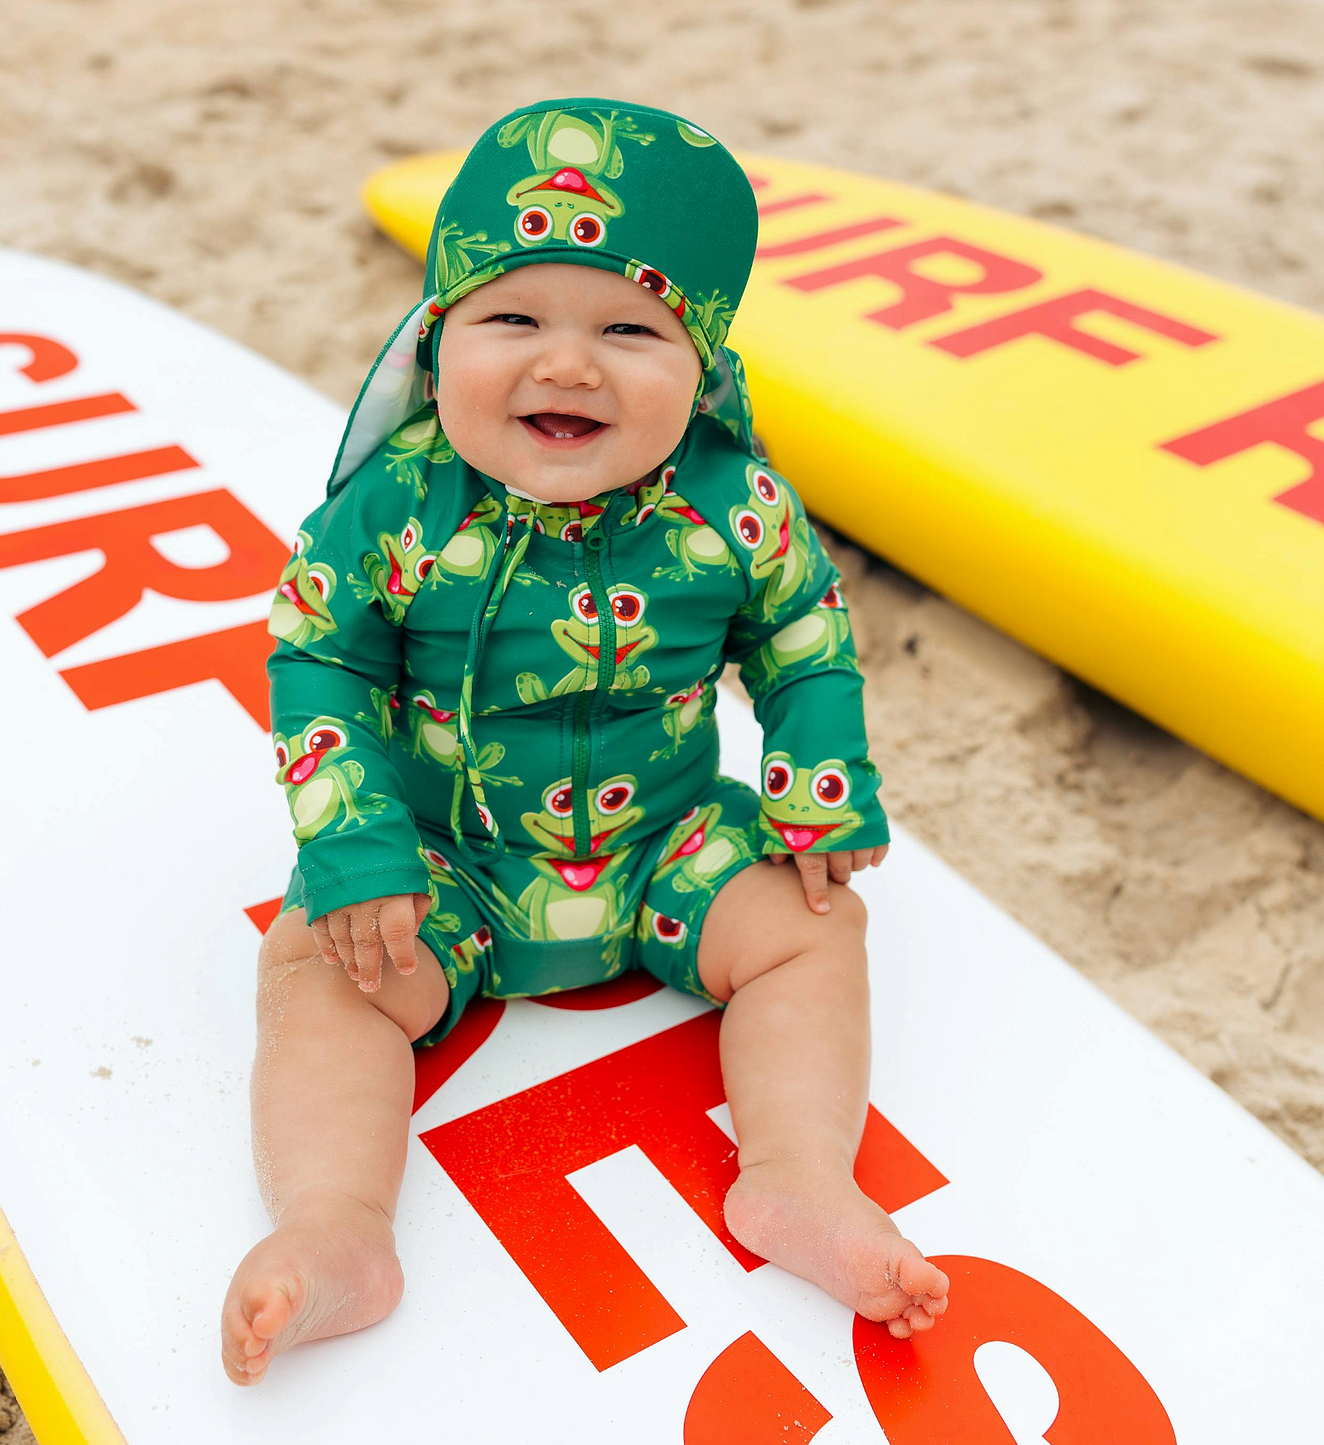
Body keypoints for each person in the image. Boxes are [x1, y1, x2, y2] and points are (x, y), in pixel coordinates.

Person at [221, 97, 948, 1385]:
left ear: (703, 367)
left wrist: (818, 782)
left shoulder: (735, 505)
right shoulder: (392, 507)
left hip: (666, 847)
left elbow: (803, 636)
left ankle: (792, 1177)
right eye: (513, 320)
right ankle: (339, 1224)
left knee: (814, 925)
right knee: (320, 963)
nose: (567, 366)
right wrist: (357, 847)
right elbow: (320, 657)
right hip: (446, 862)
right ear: (435, 337)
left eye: (629, 330)